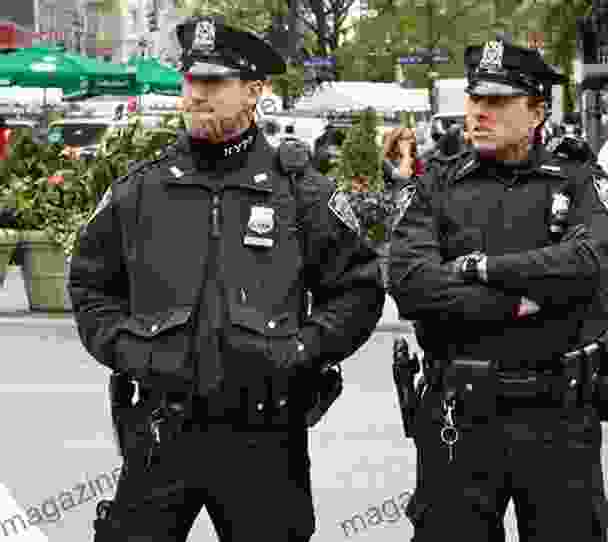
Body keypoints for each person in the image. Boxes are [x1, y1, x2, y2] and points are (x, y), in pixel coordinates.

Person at [68, 16, 384, 542]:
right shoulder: (141, 192)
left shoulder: (300, 193)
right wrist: (127, 348)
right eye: (192, 81)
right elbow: (90, 286)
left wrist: (304, 348)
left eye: (215, 83)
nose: (198, 95)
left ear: (254, 91)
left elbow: (357, 287)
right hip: (160, 429)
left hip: (264, 435)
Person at [389, 38, 608, 542]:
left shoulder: (576, 180)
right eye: (475, 100)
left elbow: (590, 264)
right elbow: (411, 283)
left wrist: (483, 267)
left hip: (559, 413)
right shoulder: (437, 185)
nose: (478, 113)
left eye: (497, 102)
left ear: (536, 110)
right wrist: (524, 299)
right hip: (459, 412)